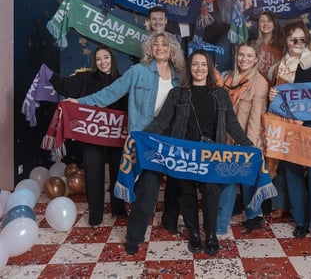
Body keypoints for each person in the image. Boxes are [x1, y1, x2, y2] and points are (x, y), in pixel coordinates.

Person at [65, 32, 185, 227]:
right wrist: (79, 102)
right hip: (142, 135)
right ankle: (137, 228)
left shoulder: (179, 76)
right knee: (144, 182)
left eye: (165, 44)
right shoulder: (138, 71)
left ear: (172, 49)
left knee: (173, 180)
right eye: (156, 44)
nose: (160, 47)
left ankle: (169, 219)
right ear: (150, 49)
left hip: (170, 136)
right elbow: (110, 93)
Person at [140, 50, 253, 256]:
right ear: (189, 68)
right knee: (187, 192)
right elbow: (162, 121)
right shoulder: (177, 93)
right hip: (184, 154)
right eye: (194, 65)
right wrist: (141, 137)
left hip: (212, 154)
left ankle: (210, 235)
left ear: (209, 68)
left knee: (211, 191)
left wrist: (249, 144)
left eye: (203, 65)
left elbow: (232, 124)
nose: (199, 69)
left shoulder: (220, 94)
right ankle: (193, 233)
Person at [268, 20, 311, 251]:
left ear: (306, 40)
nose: (297, 43)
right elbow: (276, 101)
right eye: (293, 39)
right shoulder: (280, 68)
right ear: (286, 41)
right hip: (288, 125)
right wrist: (273, 94)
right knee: (293, 173)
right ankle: (300, 222)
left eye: (301, 39)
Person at [49, 45, 128, 226]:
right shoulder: (86, 78)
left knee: (118, 173)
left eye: (106, 57)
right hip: (92, 137)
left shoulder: (123, 80)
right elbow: (64, 85)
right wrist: (48, 75)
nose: (103, 62)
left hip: (117, 136)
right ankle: (96, 215)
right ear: (95, 62)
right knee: (93, 176)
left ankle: (118, 208)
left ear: (112, 59)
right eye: (98, 59)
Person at [217, 41, 269, 235]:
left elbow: (256, 117)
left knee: (240, 179)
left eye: (249, 56)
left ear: (256, 59)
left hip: (246, 138)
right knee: (237, 178)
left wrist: (248, 145)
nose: (244, 59)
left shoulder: (260, 82)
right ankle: (250, 215)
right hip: (227, 137)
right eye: (241, 55)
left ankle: (233, 221)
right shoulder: (230, 78)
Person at [255, 10, 289, 219]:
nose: (265, 24)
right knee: (262, 152)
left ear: (274, 24)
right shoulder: (254, 44)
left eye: (268, 21)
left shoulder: (282, 45)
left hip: (277, 101)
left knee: (277, 150)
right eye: (262, 21)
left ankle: (279, 203)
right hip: (259, 101)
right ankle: (261, 203)